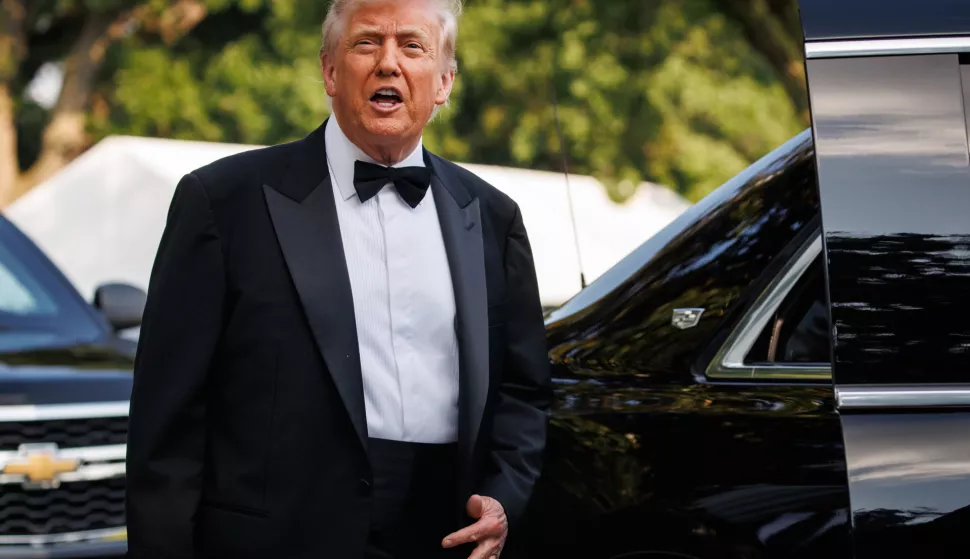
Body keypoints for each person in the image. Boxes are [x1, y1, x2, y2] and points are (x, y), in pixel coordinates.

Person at [124, 0, 551, 557]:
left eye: (413, 46)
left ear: (444, 82)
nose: (389, 63)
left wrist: (503, 500)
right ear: (329, 70)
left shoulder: (492, 217)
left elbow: (525, 391)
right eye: (367, 43)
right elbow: (166, 421)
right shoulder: (221, 203)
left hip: (444, 536)